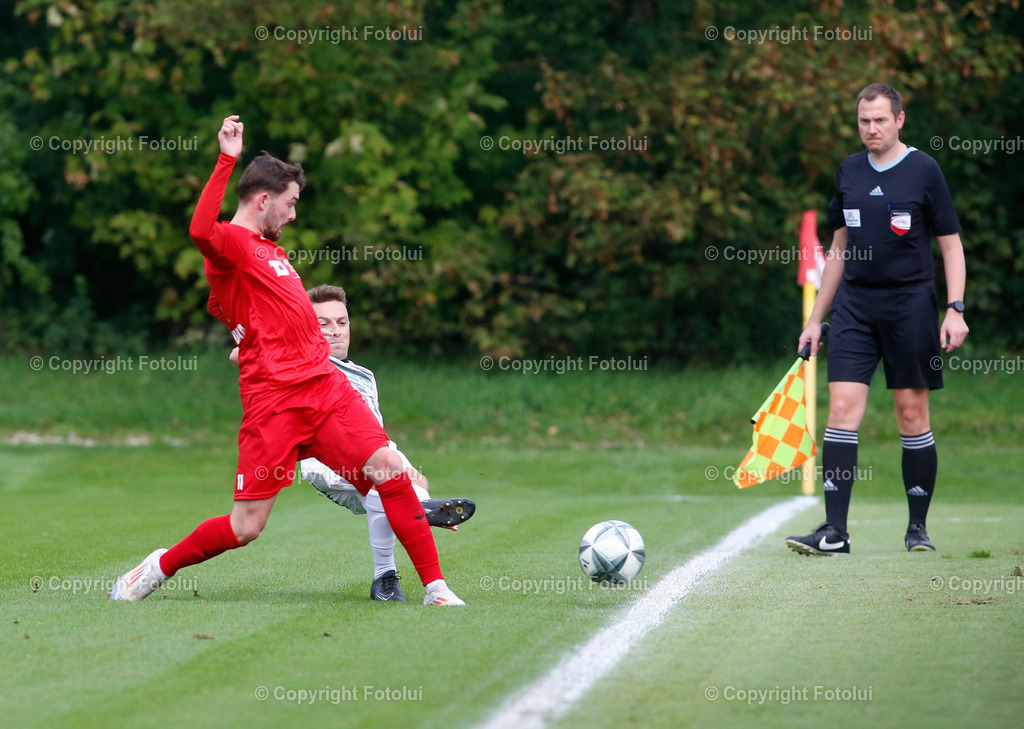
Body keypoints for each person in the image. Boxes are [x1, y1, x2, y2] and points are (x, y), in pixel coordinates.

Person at [110, 115, 465, 605]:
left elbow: (247, 311)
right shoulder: (232, 244)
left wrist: (252, 335)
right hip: (274, 404)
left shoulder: (267, 251)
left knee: (388, 467)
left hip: (324, 389)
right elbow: (199, 231)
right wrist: (226, 160)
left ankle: (436, 589)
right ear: (263, 200)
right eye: (291, 202)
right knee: (245, 527)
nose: (294, 214)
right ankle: (157, 567)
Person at [786, 82, 968, 556]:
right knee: (841, 410)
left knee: (912, 414)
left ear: (899, 119)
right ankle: (835, 532)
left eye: (881, 120)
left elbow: (951, 246)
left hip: (911, 306)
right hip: (855, 307)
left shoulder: (924, 170)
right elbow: (839, 249)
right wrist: (815, 318)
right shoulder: (849, 170)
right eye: (864, 121)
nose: (872, 129)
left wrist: (955, 308)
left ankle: (917, 529)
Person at [229, 284, 476, 602]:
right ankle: (390, 570)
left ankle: (417, 511)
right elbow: (238, 355)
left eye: (342, 322)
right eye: (323, 324)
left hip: (373, 448)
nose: (335, 331)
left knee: (415, 482)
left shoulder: (365, 375)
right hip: (325, 456)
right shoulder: (300, 364)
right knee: (381, 486)